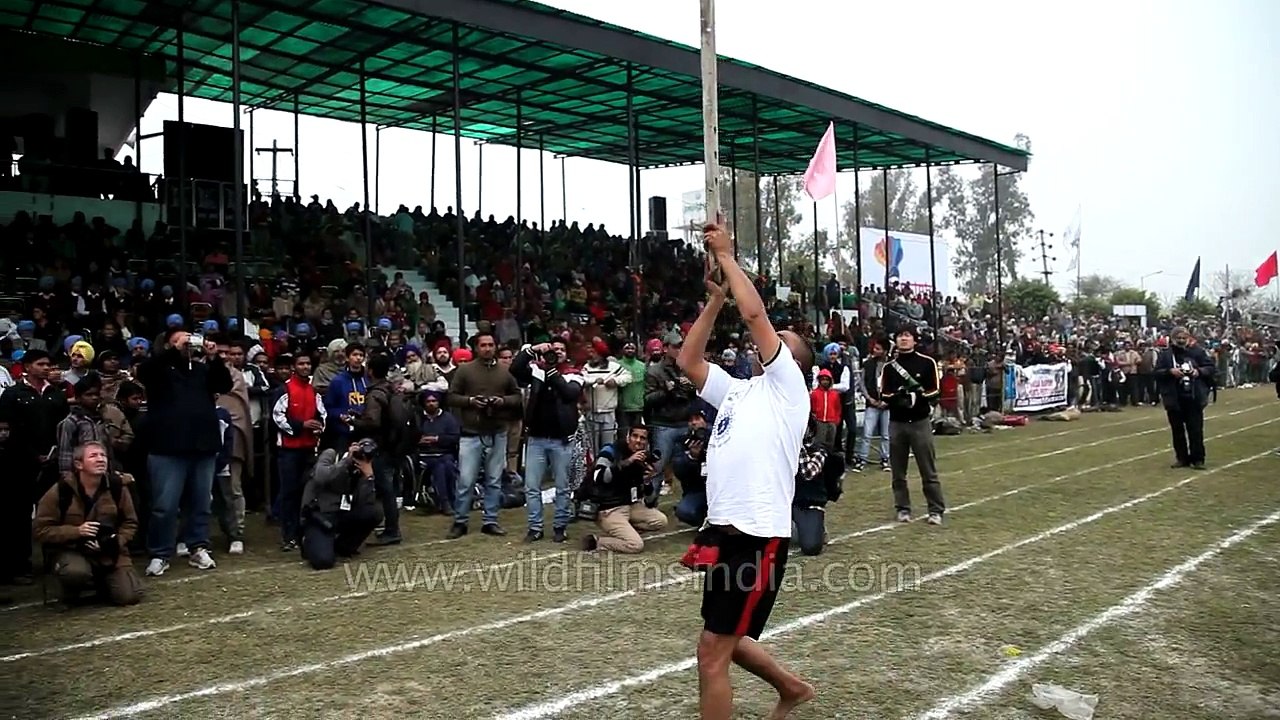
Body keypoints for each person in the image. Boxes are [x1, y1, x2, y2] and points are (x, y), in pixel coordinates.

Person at [676, 223, 815, 720]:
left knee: (711, 652)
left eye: (783, 340)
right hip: (724, 530)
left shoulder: (787, 390)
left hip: (758, 536)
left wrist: (729, 258)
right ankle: (792, 688)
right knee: (724, 641)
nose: (769, 340)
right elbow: (688, 360)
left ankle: (791, 689)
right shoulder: (738, 389)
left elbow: (755, 312)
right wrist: (714, 302)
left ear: (794, 362)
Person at [135, 329, 233, 576]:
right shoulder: (158, 370)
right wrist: (173, 350)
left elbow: (224, 384)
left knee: (201, 502)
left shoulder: (200, 370)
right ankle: (160, 552)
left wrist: (214, 358)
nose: (188, 342)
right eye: (181, 338)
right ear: (168, 343)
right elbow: (144, 372)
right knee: (165, 505)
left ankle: (198, 546)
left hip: (202, 446)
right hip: (167, 447)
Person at [33, 441, 142, 606]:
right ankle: (71, 587)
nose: (100, 459)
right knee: (75, 573)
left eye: (103, 455)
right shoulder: (60, 491)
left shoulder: (117, 487)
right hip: (72, 550)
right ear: (78, 464)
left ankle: (104, 583)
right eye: (93, 456)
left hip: (110, 552)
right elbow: (41, 530)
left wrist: (114, 542)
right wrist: (77, 532)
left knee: (129, 596)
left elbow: (130, 522)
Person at [445, 331, 522, 538]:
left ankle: (490, 520)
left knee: (494, 480)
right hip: (471, 434)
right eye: (483, 345)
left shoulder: (504, 372)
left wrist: (502, 401)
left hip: (497, 432)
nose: (487, 348)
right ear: (476, 348)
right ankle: (460, 521)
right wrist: (470, 401)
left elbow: (517, 396)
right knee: (466, 480)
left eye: (490, 344)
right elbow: (451, 397)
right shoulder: (465, 371)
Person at [510, 338, 583, 543]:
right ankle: (535, 528)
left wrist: (551, 371)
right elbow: (515, 369)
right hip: (536, 438)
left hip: (562, 440)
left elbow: (570, 394)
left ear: (566, 353)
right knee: (532, 486)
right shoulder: (536, 371)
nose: (557, 352)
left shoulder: (574, 374)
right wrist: (532, 350)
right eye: (553, 349)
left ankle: (560, 526)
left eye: (561, 349)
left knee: (562, 486)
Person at [881, 327, 945, 525]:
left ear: (914, 340)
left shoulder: (927, 363)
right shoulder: (889, 368)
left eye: (907, 336)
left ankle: (936, 510)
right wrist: (898, 396)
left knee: (928, 469)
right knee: (898, 471)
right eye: (900, 336)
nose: (904, 339)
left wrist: (917, 395)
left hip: (920, 422)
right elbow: (883, 394)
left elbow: (935, 391)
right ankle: (902, 508)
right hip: (897, 423)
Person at [579, 422, 668, 553]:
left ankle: (626, 531)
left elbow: (650, 501)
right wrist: (627, 462)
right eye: (635, 436)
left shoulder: (643, 458)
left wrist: (648, 481)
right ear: (628, 437)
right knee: (635, 545)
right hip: (609, 508)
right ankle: (597, 541)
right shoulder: (610, 450)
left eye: (642, 438)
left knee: (661, 520)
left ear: (646, 442)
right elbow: (599, 477)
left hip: (630, 504)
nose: (638, 441)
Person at [272, 352, 327, 551]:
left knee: (309, 493)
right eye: (301, 363)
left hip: (308, 450)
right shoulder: (284, 389)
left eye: (308, 363)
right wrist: (302, 425)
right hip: (288, 451)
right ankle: (289, 536)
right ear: (295, 367)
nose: (305, 367)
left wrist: (320, 426)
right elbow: (278, 419)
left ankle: (305, 532)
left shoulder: (314, 392)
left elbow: (322, 415)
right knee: (289, 494)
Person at [299, 442, 383, 570]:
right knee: (323, 562)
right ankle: (309, 543)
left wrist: (368, 478)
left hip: (342, 514)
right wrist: (346, 461)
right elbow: (321, 477)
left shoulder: (362, 470)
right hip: (320, 516)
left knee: (374, 512)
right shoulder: (331, 455)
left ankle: (343, 546)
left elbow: (366, 502)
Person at [1154, 327, 1214, 469]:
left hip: (1193, 396)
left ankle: (1198, 459)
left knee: (1195, 430)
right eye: (1178, 338)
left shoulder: (1197, 352)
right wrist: (1170, 371)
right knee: (1177, 430)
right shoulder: (1166, 355)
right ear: (1172, 338)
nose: (1181, 341)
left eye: (1183, 338)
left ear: (1188, 338)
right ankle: (1182, 458)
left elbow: (1211, 368)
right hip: (1174, 397)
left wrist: (1197, 372)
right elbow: (1156, 372)